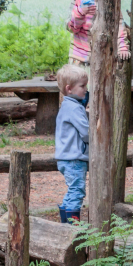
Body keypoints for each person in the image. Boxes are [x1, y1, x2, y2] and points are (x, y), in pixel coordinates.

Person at [67, 0, 130, 66]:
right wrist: (81, 12)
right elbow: (72, 28)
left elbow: (119, 25)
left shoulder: (112, 0)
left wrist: (123, 47)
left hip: (105, 56)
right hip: (80, 58)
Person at [55, 63, 90, 223]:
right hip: (74, 159)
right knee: (77, 191)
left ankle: (65, 224)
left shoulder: (67, 106)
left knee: (72, 191)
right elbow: (87, 133)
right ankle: (72, 227)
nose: (85, 89)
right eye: (82, 86)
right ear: (69, 89)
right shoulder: (74, 109)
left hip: (66, 158)